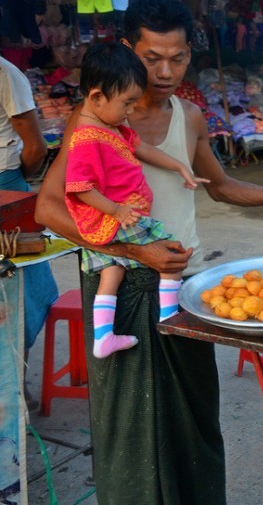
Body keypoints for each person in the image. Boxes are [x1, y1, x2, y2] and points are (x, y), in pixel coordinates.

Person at [35, 0, 263, 504]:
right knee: (130, 424)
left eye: (177, 58)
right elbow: (48, 210)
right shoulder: (93, 122)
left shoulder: (191, 117)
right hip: (122, 282)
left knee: (193, 413)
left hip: (182, 282)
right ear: (129, 50)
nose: (166, 70)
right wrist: (135, 254)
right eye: (152, 58)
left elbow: (220, 186)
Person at [66, 42, 208, 358]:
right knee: (174, 251)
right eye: (127, 103)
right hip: (119, 218)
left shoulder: (110, 124)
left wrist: (178, 164)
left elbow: (139, 147)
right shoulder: (86, 139)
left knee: (112, 272)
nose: (131, 111)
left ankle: (103, 337)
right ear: (96, 97)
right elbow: (79, 187)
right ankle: (170, 316)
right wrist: (116, 209)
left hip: (110, 223)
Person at [0, 55, 59, 408]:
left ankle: (15, 380)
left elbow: (35, 148)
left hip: (7, 187)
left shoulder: (7, 74)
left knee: (27, 290)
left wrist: (14, 183)